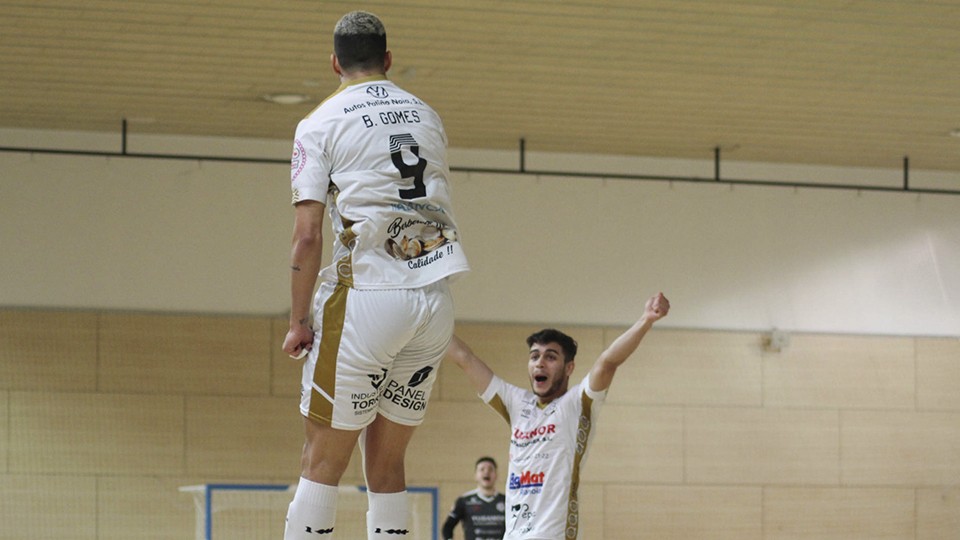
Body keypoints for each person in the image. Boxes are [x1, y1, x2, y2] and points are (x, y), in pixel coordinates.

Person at [281, 10, 470, 540]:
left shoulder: (319, 122)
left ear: (334, 62)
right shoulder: (427, 115)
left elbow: (308, 235)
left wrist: (299, 319)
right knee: (387, 468)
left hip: (368, 297)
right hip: (434, 302)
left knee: (321, 461)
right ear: (388, 60)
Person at [446, 293, 670, 539]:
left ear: (569, 368)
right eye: (534, 356)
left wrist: (646, 320)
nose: (540, 363)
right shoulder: (517, 403)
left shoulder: (577, 403)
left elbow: (607, 362)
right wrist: (429, 317)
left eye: (550, 357)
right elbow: (465, 359)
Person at [442, 456, 507, 540]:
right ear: (475, 475)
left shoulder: (507, 501)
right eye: (482, 469)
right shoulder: (464, 501)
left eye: (490, 469)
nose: (486, 472)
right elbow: (448, 527)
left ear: (496, 475)